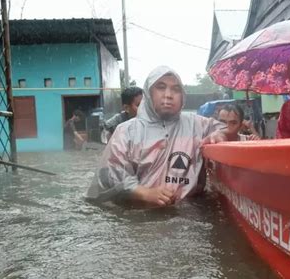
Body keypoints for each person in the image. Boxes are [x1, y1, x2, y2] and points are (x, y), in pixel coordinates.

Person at [86, 66, 227, 207]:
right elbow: (112, 174)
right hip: (141, 218)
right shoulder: (126, 131)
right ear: (149, 93)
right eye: (161, 87)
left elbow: (226, 128)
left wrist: (219, 133)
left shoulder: (198, 125)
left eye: (176, 89)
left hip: (190, 211)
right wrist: (145, 193)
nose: (168, 95)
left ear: (182, 96)